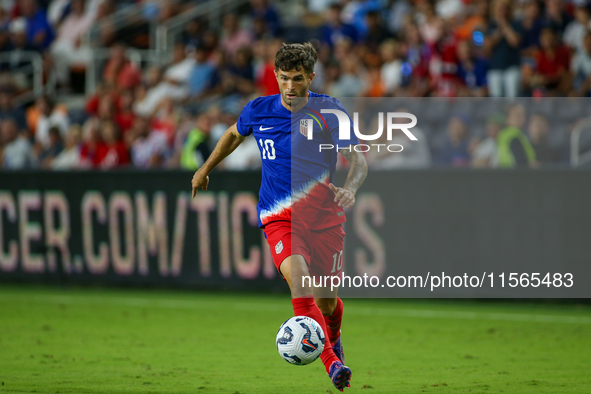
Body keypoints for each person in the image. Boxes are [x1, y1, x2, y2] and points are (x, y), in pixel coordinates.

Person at [190, 43, 367, 392]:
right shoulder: (259, 110)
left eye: (297, 79)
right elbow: (232, 135)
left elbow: (358, 160)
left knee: (328, 301)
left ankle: (334, 338)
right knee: (299, 282)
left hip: (324, 218)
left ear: (311, 77)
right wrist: (205, 169)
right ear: (275, 76)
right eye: (283, 78)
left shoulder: (329, 111)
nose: (289, 86)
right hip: (278, 215)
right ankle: (333, 364)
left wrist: (351, 188)